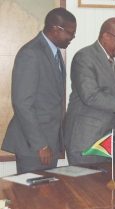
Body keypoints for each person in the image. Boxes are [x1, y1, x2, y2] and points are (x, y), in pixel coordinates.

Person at [1, 8, 77, 174]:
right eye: (71, 33)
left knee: (47, 194)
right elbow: (22, 103)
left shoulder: (54, 53)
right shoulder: (31, 53)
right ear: (56, 29)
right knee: (32, 197)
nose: (72, 38)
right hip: (34, 147)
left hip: (51, 142)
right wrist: (41, 145)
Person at [64, 17, 115, 165]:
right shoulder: (84, 57)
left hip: (112, 143)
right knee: (85, 187)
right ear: (106, 36)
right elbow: (91, 96)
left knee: (109, 187)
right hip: (86, 142)